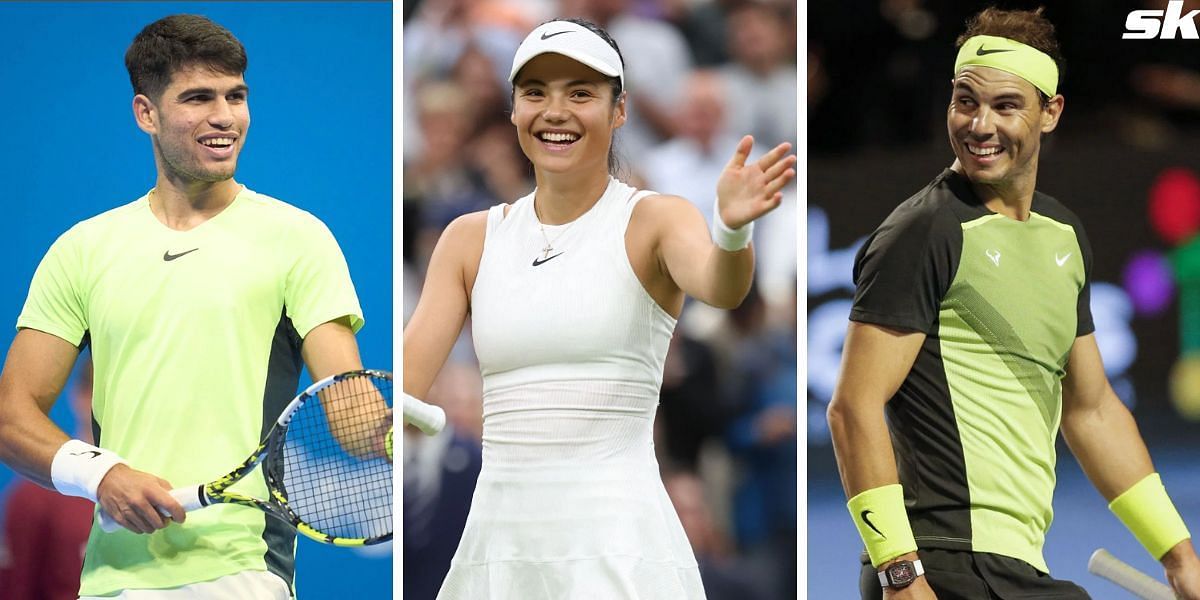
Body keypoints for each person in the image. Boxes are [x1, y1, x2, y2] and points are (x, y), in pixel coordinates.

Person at [402, 17, 795, 599]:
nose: (554, 111)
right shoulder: (468, 239)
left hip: (621, 544)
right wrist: (380, 423)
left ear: (620, 111)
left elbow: (722, 287)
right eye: (535, 93)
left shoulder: (658, 218)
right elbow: (404, 387)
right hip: (500, 544)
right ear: (512, 111)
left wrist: (733, 231)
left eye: (580, 93)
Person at [827, 7, 1200, 600]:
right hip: (939, 564)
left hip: (1011, 570)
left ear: (1050, 113)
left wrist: (1177, 552)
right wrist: (901, 576)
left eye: (1006, 106)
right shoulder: (924, 231)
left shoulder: (1062, 235)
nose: (980, 125)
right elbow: (852, 407)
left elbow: (1092, 410)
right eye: (965, 101)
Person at [0, 15, 372, 599]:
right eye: (199, 98)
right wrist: (102, 476)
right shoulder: (82, 250)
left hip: (241, 570)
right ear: (146, 113)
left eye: (236, 96)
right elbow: (10, 416)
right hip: (109, 579)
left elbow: (350, 411)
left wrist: (385, 430)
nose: (224, 117)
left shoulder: (299, 238)